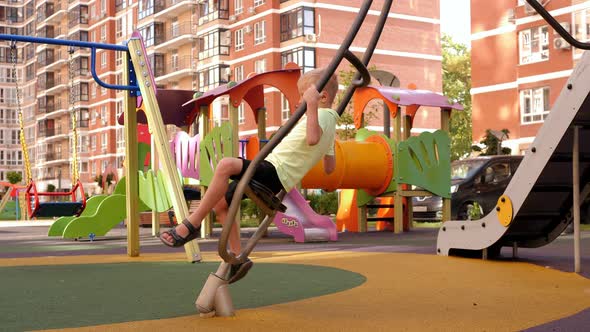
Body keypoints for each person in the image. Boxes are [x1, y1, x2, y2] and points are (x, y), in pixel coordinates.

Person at [159, 68, 340, 277]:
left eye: (303, 95)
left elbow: (311, 139)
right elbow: (329, 168)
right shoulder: (327, 123)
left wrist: (312, 106)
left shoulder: (323, 115)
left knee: (226, 165)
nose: (300, 101)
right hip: (272, 171)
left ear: (322, 97)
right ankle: (238, 258)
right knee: (221, 204)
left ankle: (191, 224)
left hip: (275, 171)